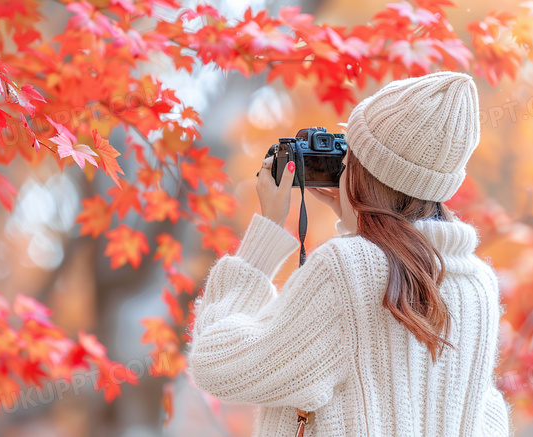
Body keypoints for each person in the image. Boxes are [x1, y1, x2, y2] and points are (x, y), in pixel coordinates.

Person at [187, 71, 511, 436]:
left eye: (351, 152)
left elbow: (217, 364)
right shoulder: (479, 285)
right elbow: (487, 419)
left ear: (362, 168)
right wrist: (360, 219)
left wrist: (266, 233)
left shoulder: (346, 270)